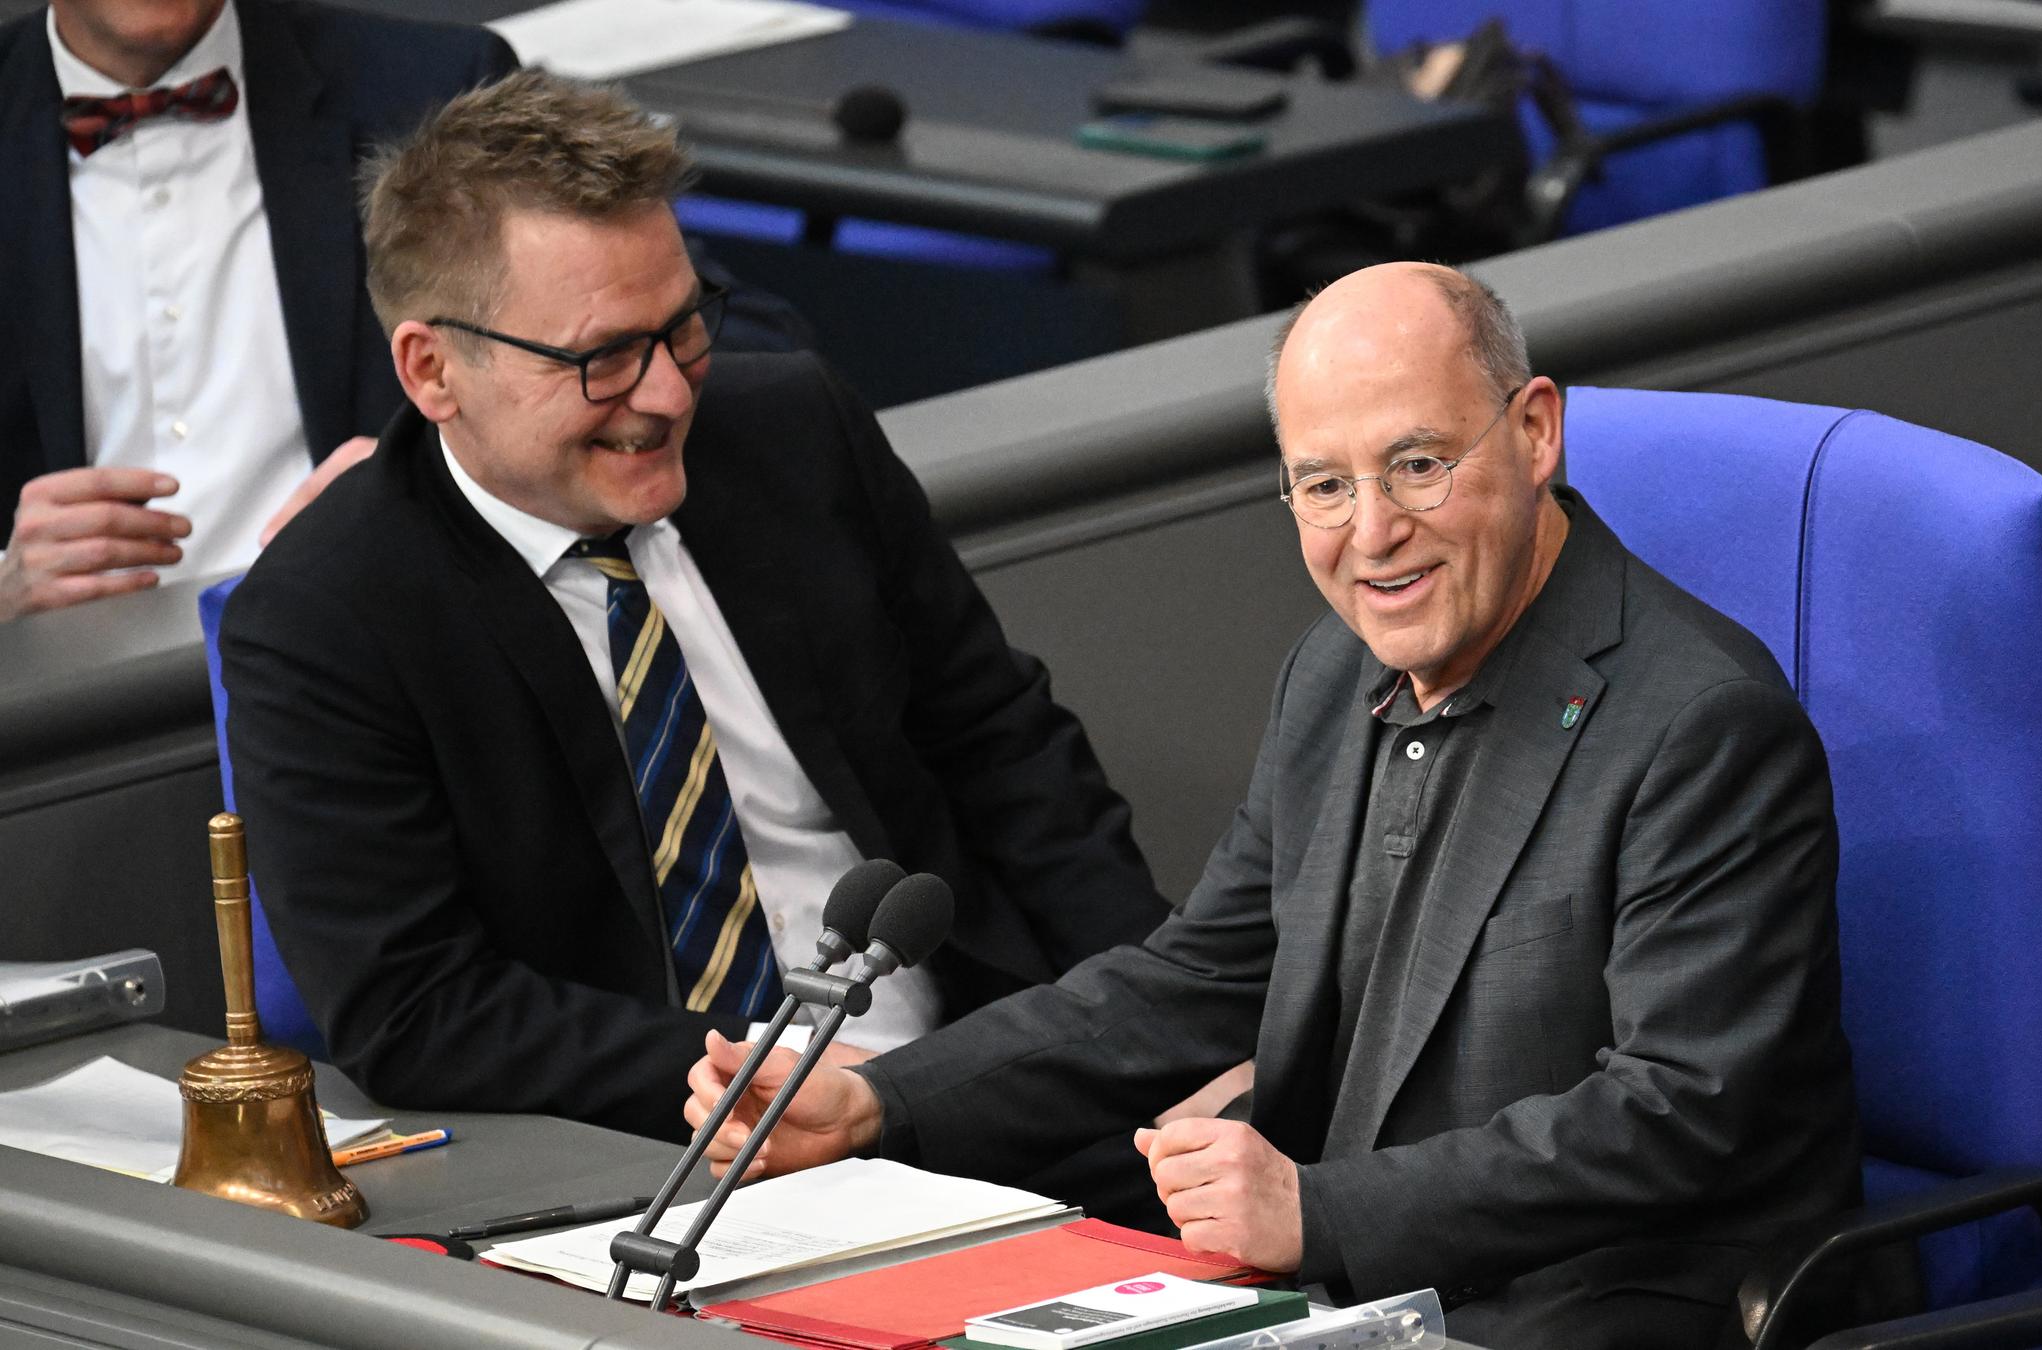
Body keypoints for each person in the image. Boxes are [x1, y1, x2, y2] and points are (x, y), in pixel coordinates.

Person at [687, 263, 1862, 1346]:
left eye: (1418, 465)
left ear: (1535, 432)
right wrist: (876, 1103)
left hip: (1615, 1304)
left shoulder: (1702, 724)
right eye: (1324, 485)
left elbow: (1673, 1114)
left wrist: (1320, 1211)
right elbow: (1199, 978)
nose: (1374, 535)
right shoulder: (1334, 672)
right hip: (1370, 1296)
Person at [217, 72, 1169, 1143]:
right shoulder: (326, 614)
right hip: (659, 1141)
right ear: (433, 370)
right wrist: (778, 1080)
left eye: (682, 328)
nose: (669, 391)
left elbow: (1007, 751)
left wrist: (1161, 1018)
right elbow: (417, 1007)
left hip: (977, 1078)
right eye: (606, 357)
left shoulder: (792, 432)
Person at [0, 0, 803, 623]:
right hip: (57, 717)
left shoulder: (426, 83)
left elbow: (729, 339)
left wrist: (429, 472)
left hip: (391, 650)